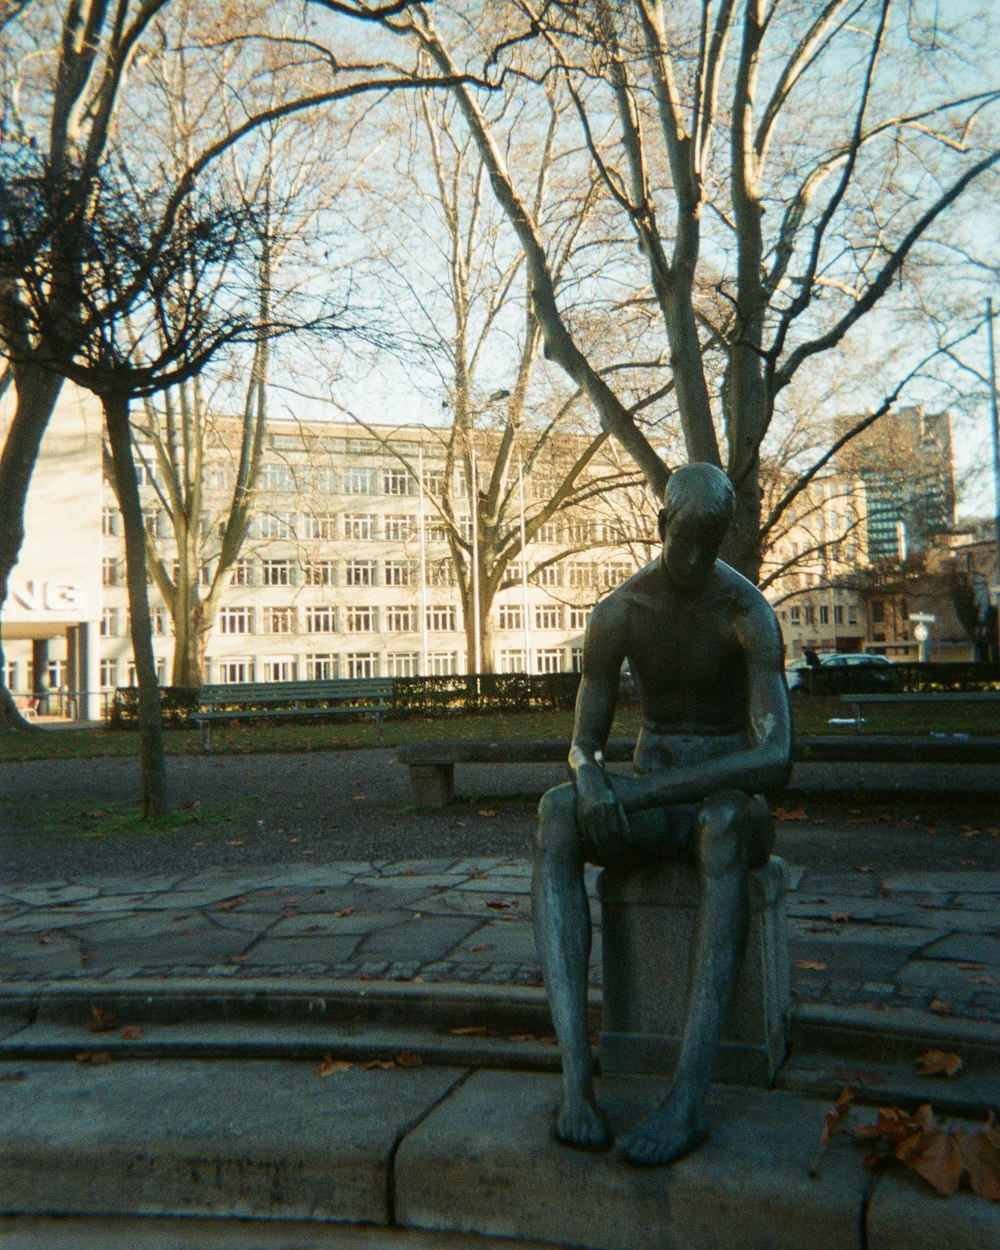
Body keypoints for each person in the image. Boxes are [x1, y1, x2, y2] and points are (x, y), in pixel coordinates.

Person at [532, 462, 791, 1166]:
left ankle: (687, 1098)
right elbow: (583, 743)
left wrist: (636, 794)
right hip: (651, 801)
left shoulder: (746, 612)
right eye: (686, 539)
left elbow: (775, 758)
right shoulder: (619, 612)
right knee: (556, 817)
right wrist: (587, 779)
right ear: (660, 525)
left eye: (712, 541)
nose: (699, 557)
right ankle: (577, 1081)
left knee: (722, 826)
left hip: (728, 807)